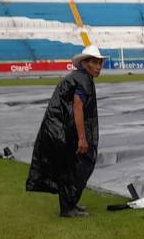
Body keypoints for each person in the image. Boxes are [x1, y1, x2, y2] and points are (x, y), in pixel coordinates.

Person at [26, 46, 104, 218]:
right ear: (84, 63)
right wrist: (82, 139)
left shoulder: (80, 78)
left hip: (58, 128)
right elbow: (78, 108)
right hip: (61, 130)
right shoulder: (82, 80)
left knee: (71, 167)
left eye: (100, 63)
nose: (98, 66)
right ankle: (68, 208)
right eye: (94, 62)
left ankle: (71, 203)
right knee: (73, 167)